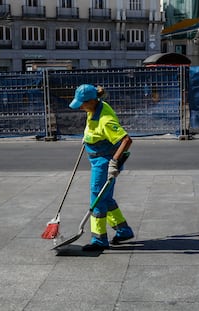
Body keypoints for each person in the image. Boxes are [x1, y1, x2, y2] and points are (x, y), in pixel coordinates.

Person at [69, 84, 134, 251]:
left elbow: (126, 140)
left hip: (104, 163)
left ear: (91, 101)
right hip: (97, 160)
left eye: (83, 104)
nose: (81, 107)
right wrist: (88, 137)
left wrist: (114, 163)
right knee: (106, 198)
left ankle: (99, 240)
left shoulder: (105, 119)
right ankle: (123, 230)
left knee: (97, 199)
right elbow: (92, 125)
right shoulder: (95, 107)